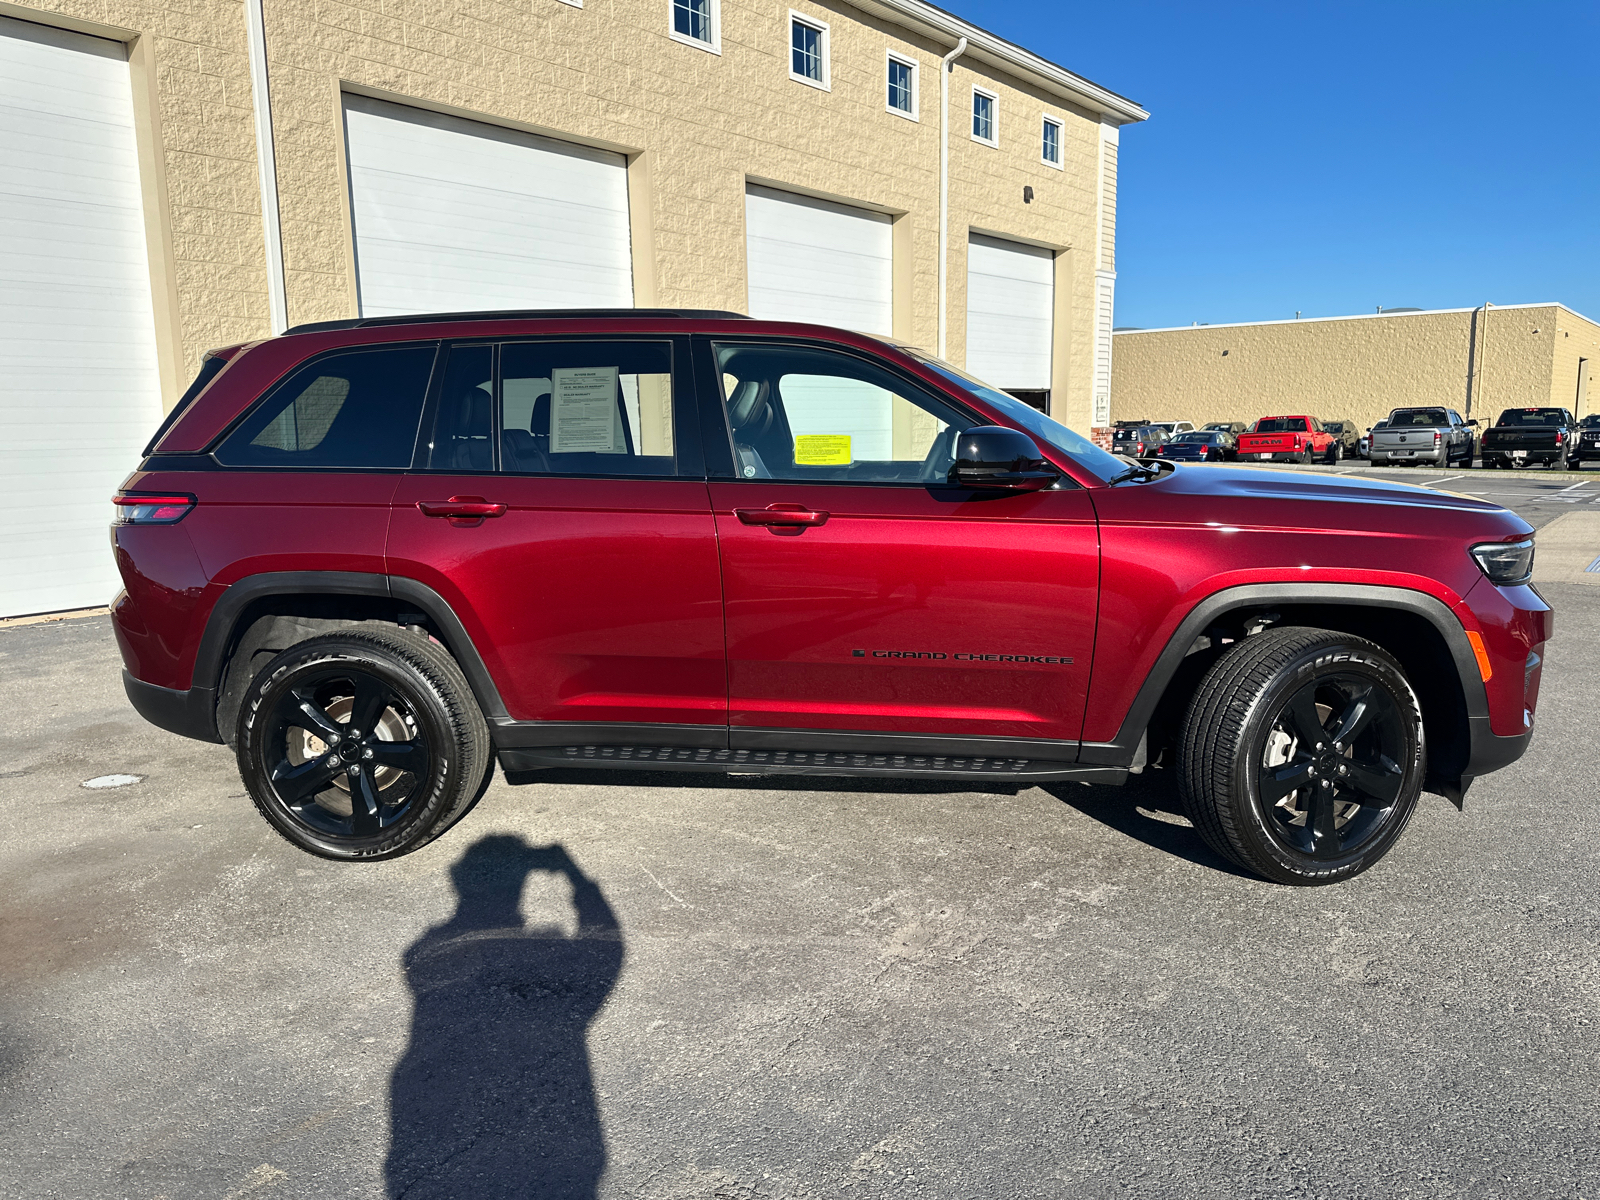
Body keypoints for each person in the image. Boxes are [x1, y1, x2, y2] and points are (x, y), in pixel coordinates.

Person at [386, 836, 624, 1199]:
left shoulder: (424, 953)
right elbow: (605, 955)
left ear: (455, 878)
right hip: (553, 1153)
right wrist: (576, 877)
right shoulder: (439, 952)